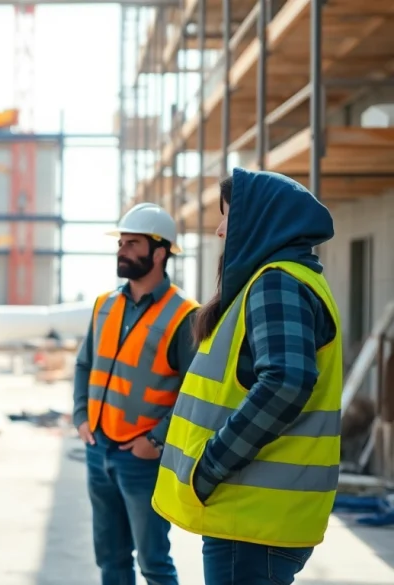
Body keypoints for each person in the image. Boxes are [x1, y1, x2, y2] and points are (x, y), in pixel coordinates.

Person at [152, 168, 342, 585]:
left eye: (228, 217)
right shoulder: (282, 280)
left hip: (251, 515)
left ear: (260, 222)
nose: (220, 231)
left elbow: (286, 383)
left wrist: (209, 466)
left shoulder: (278, 283)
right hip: (251, 515)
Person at [73, 202, 199, 585]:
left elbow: (195, 394)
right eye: (121, 243)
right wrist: (81, 417)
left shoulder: (184, 315)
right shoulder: (104, 305)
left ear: (160, 253)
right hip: (99, 450)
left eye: (132, 243)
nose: (122, 250)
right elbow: (83, 365)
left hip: (143, 459)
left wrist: (157, 440)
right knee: (110, 560)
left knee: (154, 564)